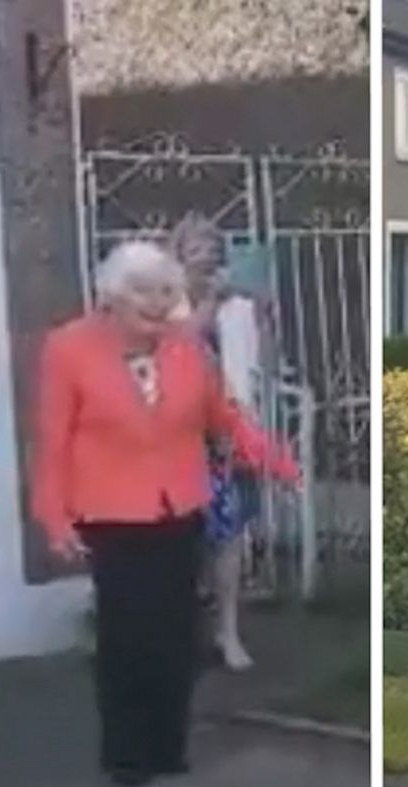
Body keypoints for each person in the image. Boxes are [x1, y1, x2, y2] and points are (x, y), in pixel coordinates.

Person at [30, 241, 299, 787]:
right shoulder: (69, 349)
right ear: (113, 299)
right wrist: (53, 518)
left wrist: (276, 461)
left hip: (179, 505)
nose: (159, 313)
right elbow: (52, 443)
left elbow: (223, 417)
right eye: (147, 302)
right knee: (129, 636)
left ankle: (168, 745)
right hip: (111, 513)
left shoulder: (186, 349)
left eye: (167, 300)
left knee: (177, 633)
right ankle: (127, 755)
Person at [168, 213, 276, 671]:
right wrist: (211, 300)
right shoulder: (164, 303)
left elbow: (263, 364)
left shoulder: (236, 306)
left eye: (213, 250)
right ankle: (182, 634)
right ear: (178, 257)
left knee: (229, 535)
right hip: (175, 437)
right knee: (179, 540)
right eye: (196, 250)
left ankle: (228, 633)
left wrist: (264, 317)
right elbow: (177, 348)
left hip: (225, 434)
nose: (207, 258)